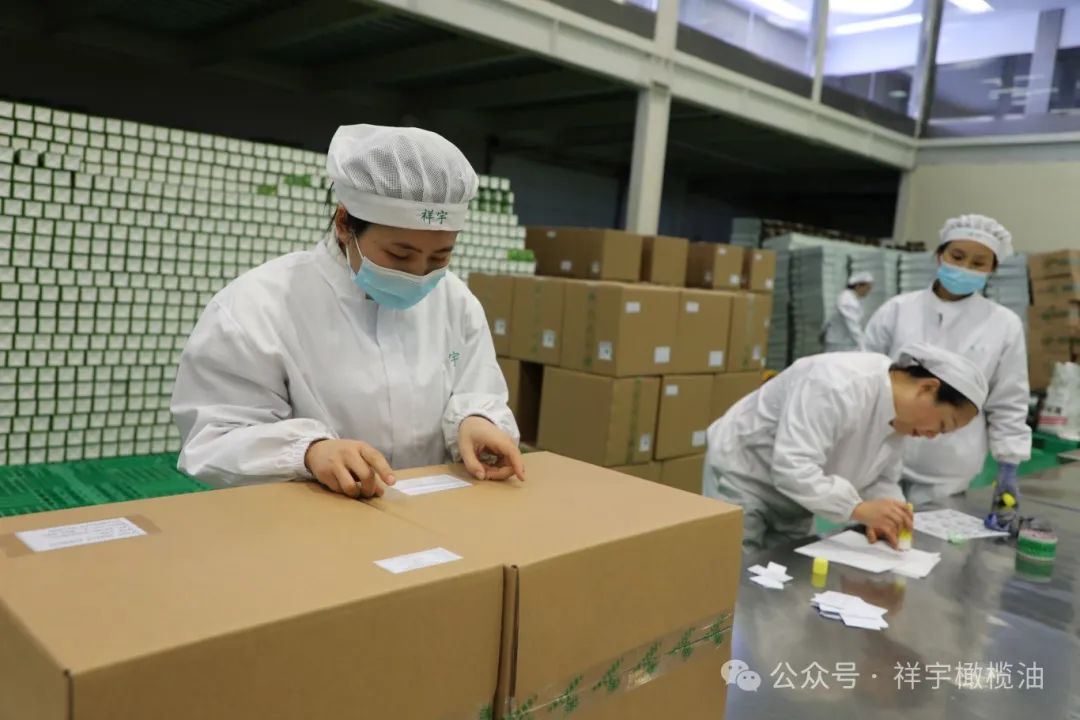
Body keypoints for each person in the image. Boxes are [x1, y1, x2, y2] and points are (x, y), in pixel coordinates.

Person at [171, 124, 524, 497]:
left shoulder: (455, 301)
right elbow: (214, 436)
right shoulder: (258, 305)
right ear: (344, 224)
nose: (420, 274)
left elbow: (477, 386)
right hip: (310, 518)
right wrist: (307, 452)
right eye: (399, 254)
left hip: (427, 513)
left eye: (440, 257)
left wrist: (475, 419)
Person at [703, 343, 988, 552]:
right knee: (730, 575)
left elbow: (881, 477)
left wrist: (888, 514)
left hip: (799, 496)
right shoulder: (837, 384)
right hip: (745, 475)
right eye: (942, 424)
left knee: (779, 571)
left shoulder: (900, 419)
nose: (932, 436)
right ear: (927, 388)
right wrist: (858, 508)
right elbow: (792, 467)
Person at [864, 214, 1030, 508]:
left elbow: (1009, 400)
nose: (965, 268)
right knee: (866, 529)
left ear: (992, 269)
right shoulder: (897, 310)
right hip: (881, 452)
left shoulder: (1004, 325)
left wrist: (1008, 464)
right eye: (957, 256)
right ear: (939, 255)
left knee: (932, 533)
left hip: (948, 466)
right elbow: (866, 375)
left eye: (978, 263)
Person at [822, 271, 874, 352]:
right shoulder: (847, 300)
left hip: (845, 343)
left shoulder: (852, 299)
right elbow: (853, 326)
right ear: (858, 286)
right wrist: (864, 345)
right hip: (840, 344)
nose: (868, 291)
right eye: (867, 288)